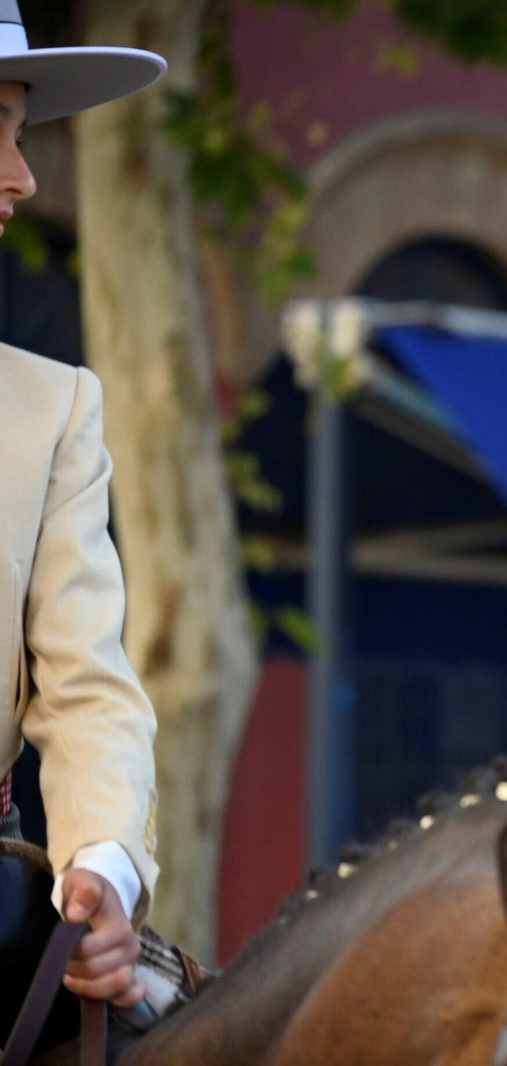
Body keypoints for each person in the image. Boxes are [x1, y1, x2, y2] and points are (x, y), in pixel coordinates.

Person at [0, 1, 190, 1021]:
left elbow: (86, 689)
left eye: (21, 138)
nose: (22, 177)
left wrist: (102, 867)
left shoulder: (54, 405)